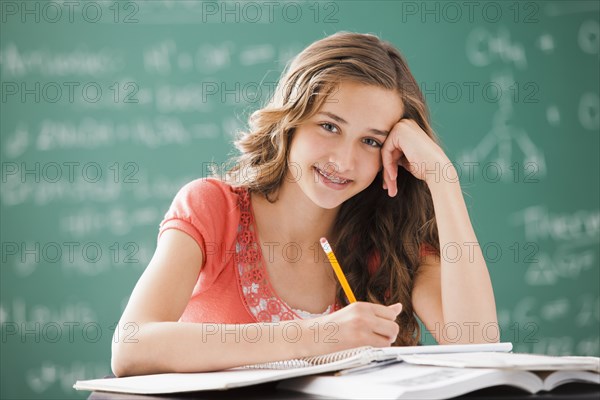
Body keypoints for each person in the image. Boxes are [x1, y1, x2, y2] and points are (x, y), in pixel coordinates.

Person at [111, 31, 498, 377]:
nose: (343, 162)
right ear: (291, 121)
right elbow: (131, 347)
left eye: (371, 141)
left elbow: (478, 348)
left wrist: (442, 177)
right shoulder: (213, 208)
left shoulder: (391, 236)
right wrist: (319, 335)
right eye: (329, 126)